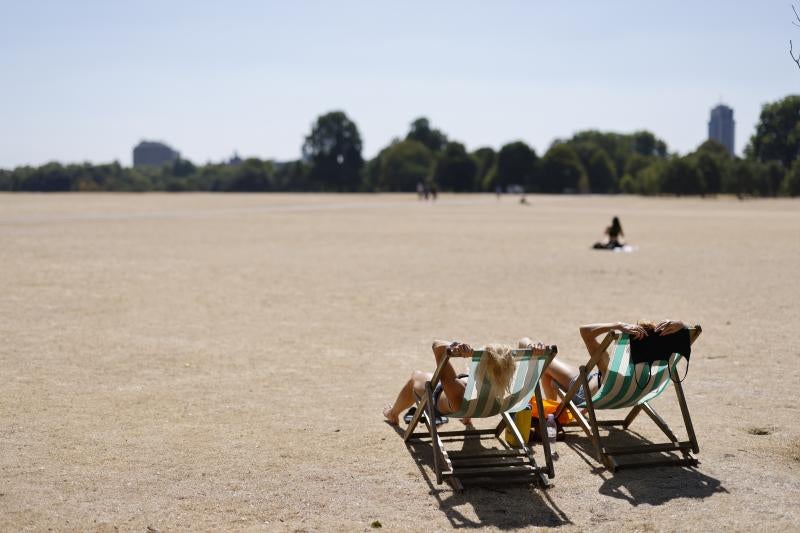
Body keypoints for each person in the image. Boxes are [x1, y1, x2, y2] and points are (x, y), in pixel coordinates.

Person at [383, 340, 549, 426]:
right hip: (492, 404)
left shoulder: (459, 392)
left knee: (417, 377)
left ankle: (392, 413)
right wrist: (531, 346)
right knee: (470, 383)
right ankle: (467, 417)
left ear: (477, 370)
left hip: (452, 401)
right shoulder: (512, 388)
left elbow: (437, 346)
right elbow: (524, 340)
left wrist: (454, 346)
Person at [532, 320, 687, 404]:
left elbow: (584, 331)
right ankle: (552, 409)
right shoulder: (655, 369)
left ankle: (552, 413)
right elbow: (685, 337)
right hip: (626, 395)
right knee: (550, 372)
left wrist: (618, 325)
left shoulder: (610, 370)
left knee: (542, 359)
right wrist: (681, 325)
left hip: (582, 389)